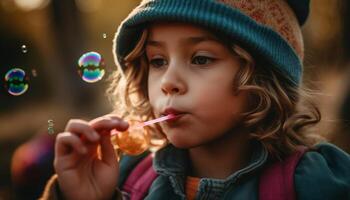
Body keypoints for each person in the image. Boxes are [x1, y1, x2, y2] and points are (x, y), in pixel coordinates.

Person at [41, 0, 350, 199]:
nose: (169, 83)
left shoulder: (312, 184)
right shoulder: (128, 179)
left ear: (264, 79)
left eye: (201, 59)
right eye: (158, 61)